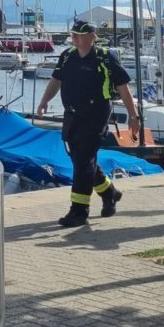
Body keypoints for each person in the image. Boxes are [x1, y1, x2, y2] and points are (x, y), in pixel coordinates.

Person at [36, 19, 141, 227]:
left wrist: (133, 115)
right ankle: (109, 193)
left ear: (92, 37)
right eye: (72, 34)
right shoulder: (67, 57)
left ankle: (79, 211)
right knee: (80, 160)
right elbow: (56, 80)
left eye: (78, 35)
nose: (73, 38)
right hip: (72, 115)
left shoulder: (104, 58)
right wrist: (44, 101)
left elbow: (123, 87)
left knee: (84, 161)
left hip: (95, 114)